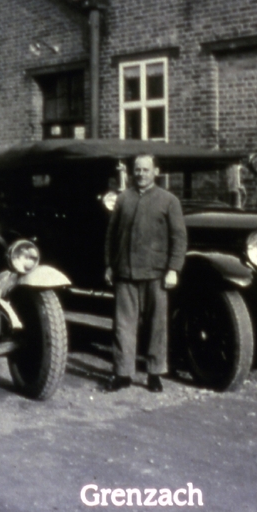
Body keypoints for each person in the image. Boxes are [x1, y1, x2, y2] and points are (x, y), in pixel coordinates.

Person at [104, 154, 187, 393]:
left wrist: (173, 269)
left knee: (156, 326)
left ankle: (154, 374)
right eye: (137, 170)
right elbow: (112, 235)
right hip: (125, 273)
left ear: (156, 172)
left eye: (146, 170)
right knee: (123, 326)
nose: (140, 174)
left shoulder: (169, 200)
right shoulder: (123, 199)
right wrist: (110, 265)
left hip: (156, 274)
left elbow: (178, 238)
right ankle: (122, 374)